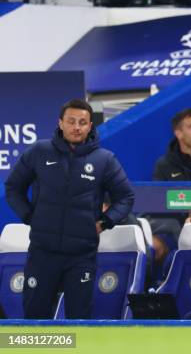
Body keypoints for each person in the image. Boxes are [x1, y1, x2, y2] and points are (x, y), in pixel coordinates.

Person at [4, 99, 135, 319]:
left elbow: (125, 197)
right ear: (60, 123)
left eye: (82, 122)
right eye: (71, 121)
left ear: (90, 126)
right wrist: (29, 216)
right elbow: (13, 188)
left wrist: (104, 222)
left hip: (81, 255)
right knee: (35, 319)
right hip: (42, 252)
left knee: (79, 321)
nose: (76, 127)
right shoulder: (39, 151)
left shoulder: (105, 160)